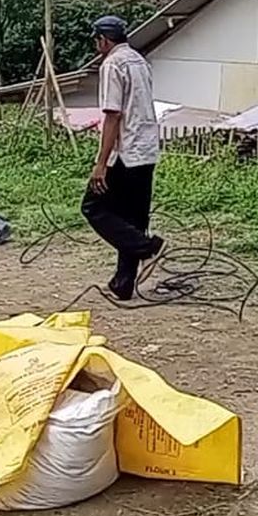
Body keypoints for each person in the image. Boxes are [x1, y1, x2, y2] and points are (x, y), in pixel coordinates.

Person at [80, 15, 165, 301]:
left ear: (104, 40)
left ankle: (147, 247)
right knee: (133, 217)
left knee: (94, 207)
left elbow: (113, 115)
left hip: (125, 152)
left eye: (97, 40)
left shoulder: (112, 64)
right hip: (147, 148)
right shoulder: (140, 61)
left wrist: (101, 163)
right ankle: (123, 283)